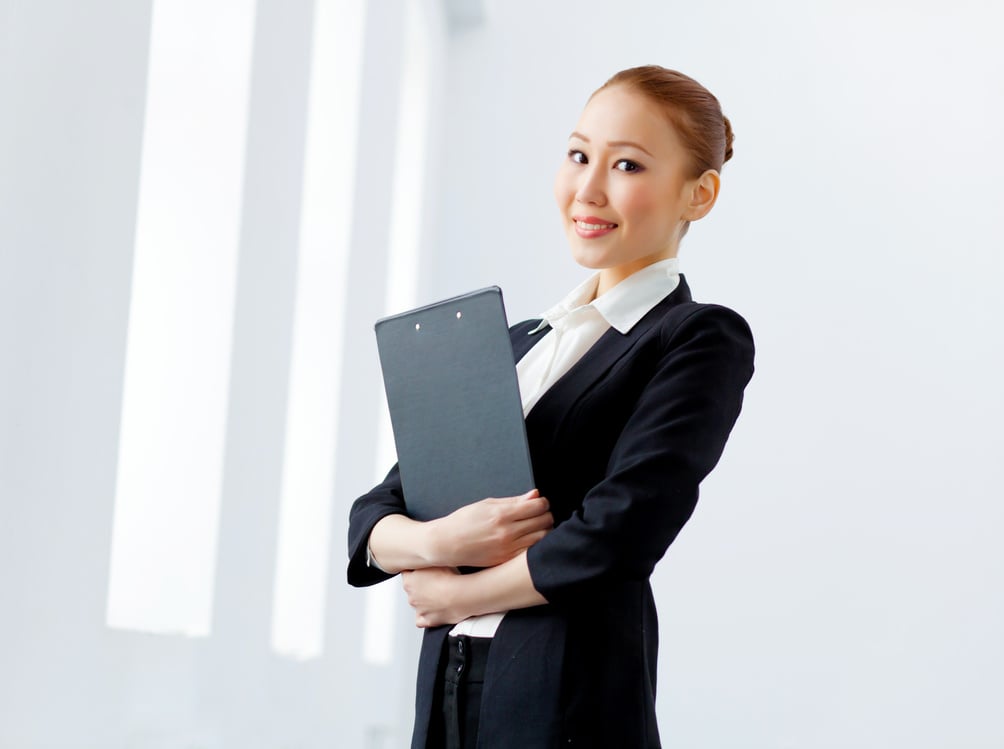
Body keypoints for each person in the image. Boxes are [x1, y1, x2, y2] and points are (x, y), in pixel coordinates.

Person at [347, 65, 755, 749]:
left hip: (568, 697)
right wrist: (442, 542)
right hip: (450, 689)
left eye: (626, 164)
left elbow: (620, 530)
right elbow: (376, 512)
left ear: (699, 194)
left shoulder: (695, 337)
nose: (588, 189)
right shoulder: (517, 342)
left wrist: (457, 594)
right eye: (578, 154)